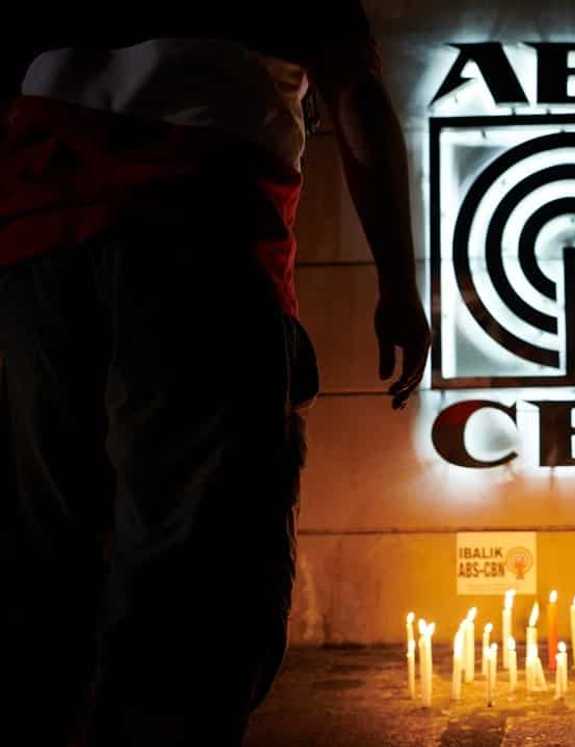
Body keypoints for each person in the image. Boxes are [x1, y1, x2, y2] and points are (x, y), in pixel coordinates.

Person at [0, 3, 429, 745]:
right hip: (194, 225)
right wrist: (397, 284)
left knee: (50, 554)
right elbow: (355, 96)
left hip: (33, 237)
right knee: (197, 563)